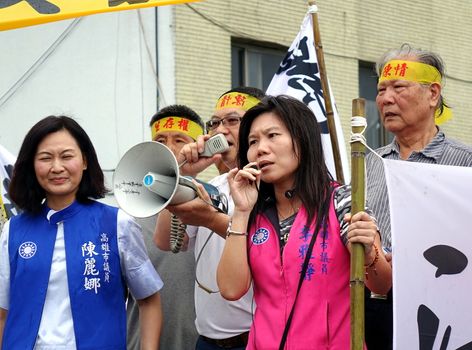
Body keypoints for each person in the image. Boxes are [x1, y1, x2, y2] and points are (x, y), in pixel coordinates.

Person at [216, 95, 392, 349]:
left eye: (272, 135)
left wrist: (368, 251)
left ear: (302, 139)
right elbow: (231, 290)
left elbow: (381, 284)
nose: (260, 148)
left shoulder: (341, 200)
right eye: (253, 141)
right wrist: (241, 213)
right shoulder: (254, 211)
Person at [0, 116, 163, 349]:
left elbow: (148, 300)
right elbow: (3, 312)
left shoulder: (117, 223)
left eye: (67, 156)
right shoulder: (13, 230)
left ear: (84, 161)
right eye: (46, 158)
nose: (57, 167)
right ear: (32, 165)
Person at [365, 45, 472, 350]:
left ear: (433, 94)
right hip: (375, 305)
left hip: (444, 305)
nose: (386, 99)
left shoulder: (465, 163)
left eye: (399, 87)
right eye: (381, 89)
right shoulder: (369, 161)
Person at [154, 87, 265, 350]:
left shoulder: (270, 184)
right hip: (207, 340)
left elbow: (265, 245)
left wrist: (210, 219)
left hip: (255, 338)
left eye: (233, 121)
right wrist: (179, 177)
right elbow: (165, 241)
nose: (220, 130)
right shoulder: (211, 184)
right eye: (215, 123)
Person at [127, 105, 203, 350]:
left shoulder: (214, 205)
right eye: (160, 140)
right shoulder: (129, 216)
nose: (169, 149)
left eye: (179, 140)